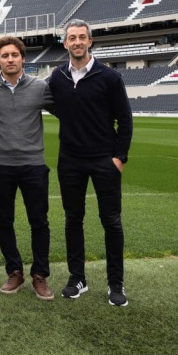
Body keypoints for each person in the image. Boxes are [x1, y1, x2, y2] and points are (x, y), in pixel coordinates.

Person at [48, 19, 133, 307]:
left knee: (111, 221)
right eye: (72, 37)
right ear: (65, 43)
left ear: (90, 41)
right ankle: (77, 278)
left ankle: (115, 283)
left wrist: (119, 158)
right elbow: (57, 108)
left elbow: (125, 119)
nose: (77, 42)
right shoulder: (57, 77)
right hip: (70, 161)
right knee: (73, 219)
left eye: (82, 37)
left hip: (103, 161)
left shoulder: (109, 77)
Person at [0, 36, 56, 301]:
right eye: (5, 56)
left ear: (23, 58)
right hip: (0, 166)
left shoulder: (40, 87)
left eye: (14, 55)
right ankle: (14, 271)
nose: (10, 59)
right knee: (4, 221)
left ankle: (40, 275)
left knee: (39, 221)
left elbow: (66, 110)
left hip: (33, 165)